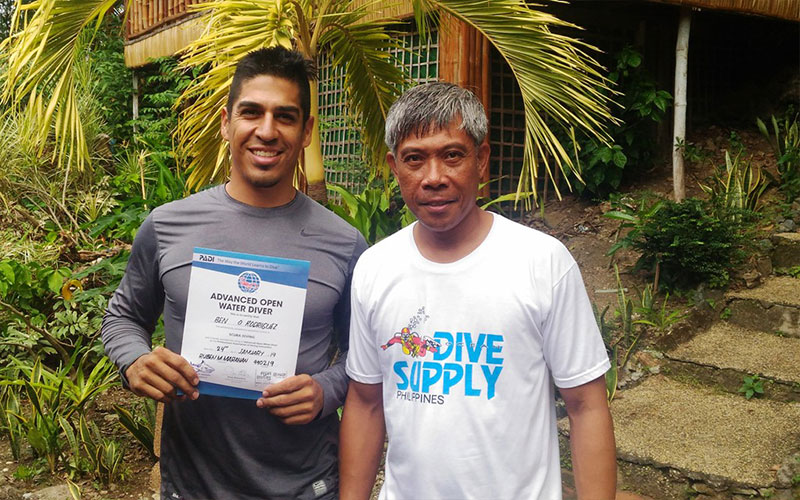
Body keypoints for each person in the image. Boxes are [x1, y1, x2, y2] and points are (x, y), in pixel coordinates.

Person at [102, 46, 367, 500]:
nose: (266, 130)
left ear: (306, 131)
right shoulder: (168, 225)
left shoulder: (343, 243)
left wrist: (326, 389)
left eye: (285, 116)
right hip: (193, 485)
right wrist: (135, 360)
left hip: (306, 485)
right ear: (227, 123)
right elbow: (123, 316)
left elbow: (364, 362)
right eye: (251, 112)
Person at [339, 82, 616, 499]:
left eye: (452, 155)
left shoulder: (542, 262)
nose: (434, 178)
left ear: (481, 159)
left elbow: (586, 406)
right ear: (394, 168)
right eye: (415, 159)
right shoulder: (376, 269)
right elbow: (364, 402)